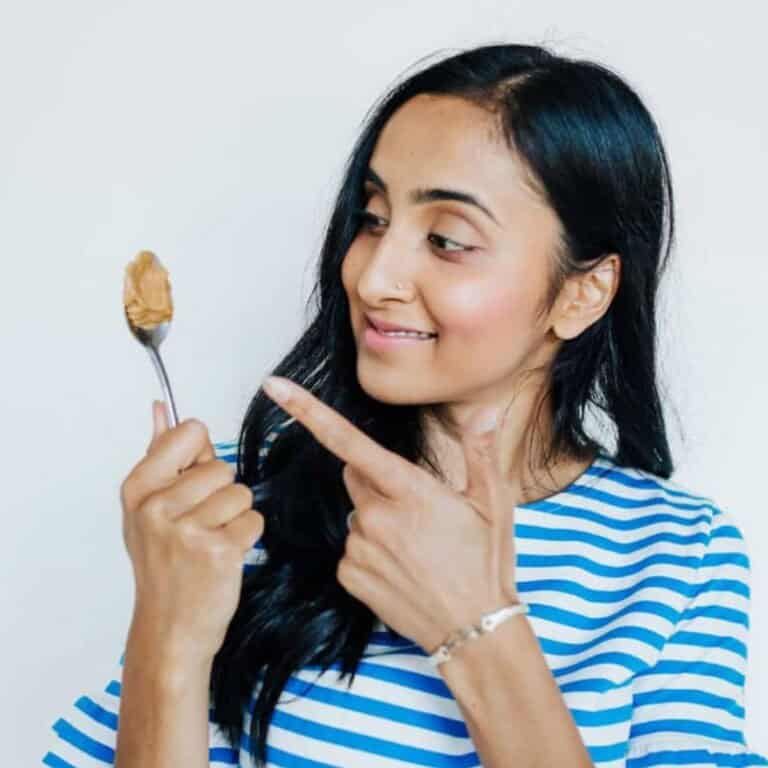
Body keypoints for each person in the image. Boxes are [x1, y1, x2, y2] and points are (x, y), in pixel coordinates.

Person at [42, 42, 768, 768]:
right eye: (374, 217)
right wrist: (167, 638)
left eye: (448, 240)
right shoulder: (229, 512)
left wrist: (478, 627)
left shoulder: (680, 557)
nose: (372, 275)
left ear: (583, 292)